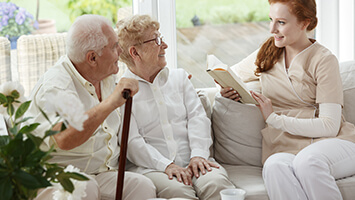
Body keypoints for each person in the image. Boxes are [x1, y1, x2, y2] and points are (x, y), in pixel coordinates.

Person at [221, 0, 355, 199]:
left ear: (304, 23)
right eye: (271, 20)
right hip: (286, 146)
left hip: (333, 141)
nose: (272, 29)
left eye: (281, 22)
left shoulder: (323, 59)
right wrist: (226, 88)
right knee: (274, 167)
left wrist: (274, 119)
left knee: (308, 162)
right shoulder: (266, 54)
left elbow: (330, 126)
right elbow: (226, 74)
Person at [25, 14, 156, 200]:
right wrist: (110, 102)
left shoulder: (105, 74)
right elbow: (64, 138)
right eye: (114, 47)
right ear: (92, 58)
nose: (120, 50)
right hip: (56, 176)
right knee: (86, 187)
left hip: (100, 172)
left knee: (141, 186)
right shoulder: (56, 87)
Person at [116, 14, 235, 200]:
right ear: (135, 53)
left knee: (216, 184)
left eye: (161, 37)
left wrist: (198, 155)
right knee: (179, 192)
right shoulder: (122, 91)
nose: (164, 45)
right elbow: (132, 142)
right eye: (156, 40)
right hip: (155, 168)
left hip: (197, 160)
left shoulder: (179, 78)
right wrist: (166, 165)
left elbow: (198, 118)